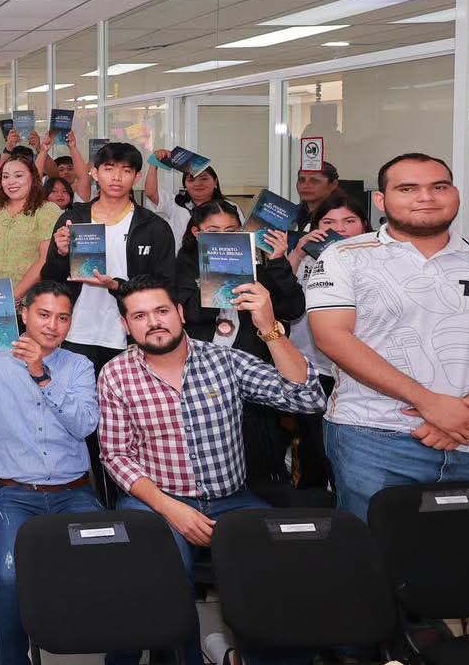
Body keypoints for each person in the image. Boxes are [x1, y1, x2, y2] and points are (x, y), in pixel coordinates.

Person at [99, 276, 326, 665]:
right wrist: (172, 509)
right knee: (163, 570)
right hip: (157, 500)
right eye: (139, 315)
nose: (154, 322)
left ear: (181, 313)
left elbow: (307, 398)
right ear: (125, 326)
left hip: (232, 499)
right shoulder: (116, 375)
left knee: (277, 569)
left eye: (162, 311)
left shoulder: (225, 361)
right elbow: (117, 456)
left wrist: (269, 330)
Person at [308, 153, 469, 520]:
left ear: (456, 195)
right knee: (377, 560)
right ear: (381, 200)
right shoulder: (345, 256)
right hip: (373, 437)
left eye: (439, 187)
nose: (426, 197)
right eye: (408, 188)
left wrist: (466, 415)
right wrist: (430, 403)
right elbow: (333, 338)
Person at [0, 281, 102, 665]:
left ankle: (119, 654)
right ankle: (13, 659)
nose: (52, 326)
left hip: (74, 492)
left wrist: (42, 374)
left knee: (112, 560)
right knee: (10, 576)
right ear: (23, 315)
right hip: (14, 494)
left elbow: (84, 426)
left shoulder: (79, 366)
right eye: (43, 315)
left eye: (62, 318)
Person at [173, 201, 306, 492]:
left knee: (258, 450)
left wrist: (277, 261)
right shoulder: (184, 261)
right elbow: (192, 313)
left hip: (251, 365)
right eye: (213, 231)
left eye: (232, 231)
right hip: (201, 367)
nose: (224, 237)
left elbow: (293, 307)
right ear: (197, 233)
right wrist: (222, 270)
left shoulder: (260, 262)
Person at [43, 142, 176, 376]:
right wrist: (60, 253)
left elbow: (164, 284)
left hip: (130, 334)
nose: (116, 177)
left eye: (126, 170)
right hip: (78, 331)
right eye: (109, 168)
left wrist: (117, 286)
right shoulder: (74, 218)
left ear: (137, 177)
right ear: (94, 172)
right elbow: (50, 280)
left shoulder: (154, 227)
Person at [287, 193, 371, 490]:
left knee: (352, 447)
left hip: (360, 369)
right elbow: (284, 300)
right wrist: (298, 252)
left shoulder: (376, 258)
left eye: (349, 221)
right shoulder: (306, 256)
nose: (341, 228)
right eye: (329, 221)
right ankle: (314, 507)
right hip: (312, 366)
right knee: (312, 444)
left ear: (364, 225)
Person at [0, 153, 62, 303]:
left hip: (33, 301)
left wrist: (13, 297)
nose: (11, 182)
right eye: (6, 177)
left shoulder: (47, 210)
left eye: (18, 175)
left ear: (33, 178)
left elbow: (45, 259)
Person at [144, 155, 236, 245]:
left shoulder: (230, 207)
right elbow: (151, 193)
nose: (198, 184)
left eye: (204, 178)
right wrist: (154, 163)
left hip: (218, 258)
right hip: (181, 258)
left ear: (215, 181)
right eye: (191, 180)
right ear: (185, 185)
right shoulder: (176, 204)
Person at [294, 161, 341, 230]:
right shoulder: (293, 213)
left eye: (314, 181)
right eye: (301, 180)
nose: (305, 186)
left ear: (333, 185)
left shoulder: (342, 213)